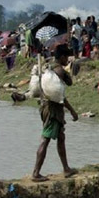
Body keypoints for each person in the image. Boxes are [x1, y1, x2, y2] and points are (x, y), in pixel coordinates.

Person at [32, 45, 79, 182]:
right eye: (67, 57)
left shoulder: (49, 68)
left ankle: (66, 168)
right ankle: (35, 173)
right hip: (53, 109)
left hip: (46, 107)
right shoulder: (60, 71)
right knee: (45, 139)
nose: (68, 60)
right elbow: (65, 90)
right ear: (63, 57)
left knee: (60, 137)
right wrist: (72, 111)